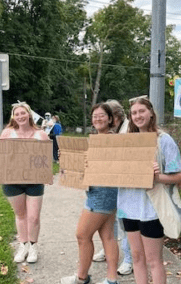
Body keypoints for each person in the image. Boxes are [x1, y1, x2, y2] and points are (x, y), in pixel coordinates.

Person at [117, 97, 181, 284]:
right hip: (127, 206)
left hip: (152, 209)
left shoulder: (163, 140)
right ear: (130, 117)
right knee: (137, 257)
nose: (138, 116)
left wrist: (157, 178)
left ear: (151, 113)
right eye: (134, 113)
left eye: (142, 111)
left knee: (153, 260)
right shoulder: (125, 142)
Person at [61, 103, 119, 284]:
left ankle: (81, 278)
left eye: (102, 115)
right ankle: (112, 279)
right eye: (95, 116)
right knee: (108, 236)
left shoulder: (112, 140)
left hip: (102, 193)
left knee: (82, 235)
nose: (98, 119)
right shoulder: (95, 139)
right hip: (102, 192)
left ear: (110, 119)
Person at [0, 101, 50, 263]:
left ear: (29, 114)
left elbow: (46, 159)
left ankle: (33, 246)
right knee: (20, 215)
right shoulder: (7, 133)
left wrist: (47, 173)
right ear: (13, 117)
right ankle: (23, 245)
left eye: (23, 113)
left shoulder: (40, 134)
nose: (20, 116)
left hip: (34, 181)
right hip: (12, 181)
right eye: (17, 114)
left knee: (33, 217)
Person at [92, 99, 133, 276]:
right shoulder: (110, 133)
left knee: (124, 223)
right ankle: (108, 249)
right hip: (109, 184)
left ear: (115, 117)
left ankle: (129, 259)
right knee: (110, 222)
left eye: (106, 116)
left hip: (125, 184)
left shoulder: (128, 130)